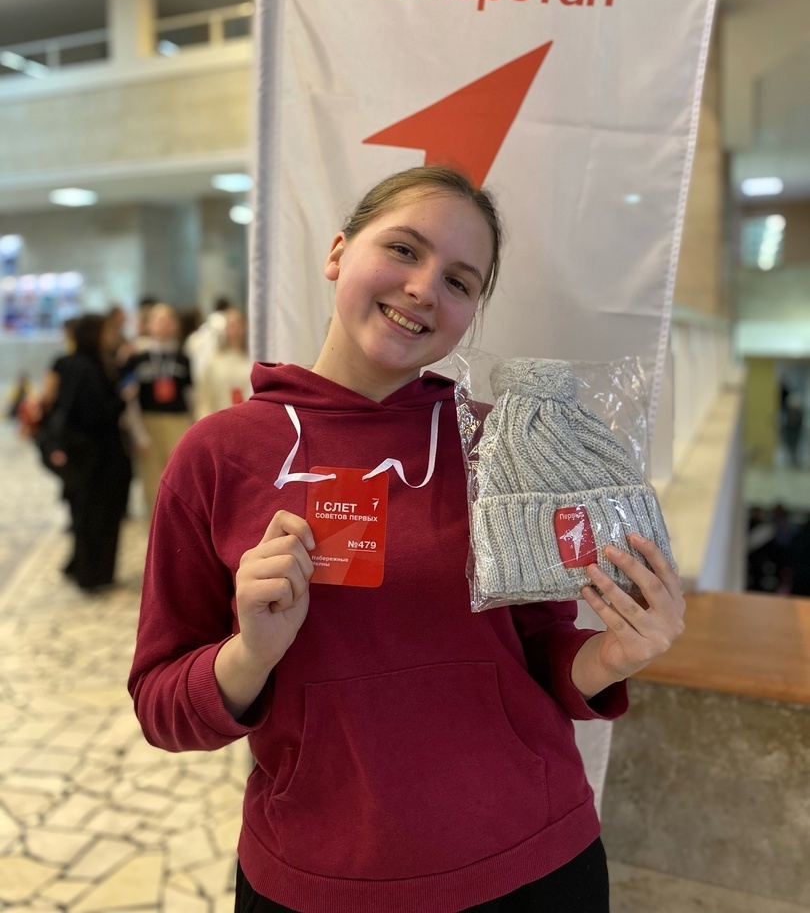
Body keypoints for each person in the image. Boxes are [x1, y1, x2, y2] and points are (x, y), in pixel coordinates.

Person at [129, 166, 684, 913]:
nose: (425, 288)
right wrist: (249, 654)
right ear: (337, 252)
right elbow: (161, 706)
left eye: (460, 281)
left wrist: (613, 657)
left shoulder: (504, 444)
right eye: (403, 249)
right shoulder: (220, 455)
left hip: (535, 860)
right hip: (318, 878)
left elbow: (540, 648)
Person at [51, 313, 132, 592]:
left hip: (96, 456)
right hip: (96, 458)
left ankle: (93, 571)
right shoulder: (85, 367)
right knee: (95, 516)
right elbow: (94, 412)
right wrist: (122, 399)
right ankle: (92, 574)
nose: (111, 337)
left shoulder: (91, 363)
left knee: (95, 516)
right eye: (106, 332)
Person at [122, 302, 193, 519]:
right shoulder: (137, 358)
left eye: (168, 319)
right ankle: (154, 529)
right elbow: (130, 400)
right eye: (158, 319)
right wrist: (139, 434)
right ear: (149, 325)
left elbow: (192, 395)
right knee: (151, 481)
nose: (163, 324)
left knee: (180, 477)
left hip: (178, 421)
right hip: (149, 421)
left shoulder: (183, 358)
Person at [194, 308, 253, 419]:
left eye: (238, 325)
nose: (234, 331)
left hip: (248, 418)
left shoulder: (252, 360)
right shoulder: (213, 362)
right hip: (220, 419)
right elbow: (205, 398)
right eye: (230, 326)